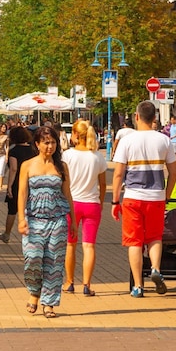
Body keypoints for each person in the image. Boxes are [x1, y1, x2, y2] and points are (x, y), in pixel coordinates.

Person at [112, 100, 176, 298]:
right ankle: (156, 269)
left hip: (133, 197)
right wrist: (167, 195)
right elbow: (173, 173)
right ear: (155, 118)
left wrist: (115, 200)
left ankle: (138, 286)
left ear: (137, 116)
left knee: (135, 242)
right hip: (156, 197)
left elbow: (117, 174)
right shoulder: (164, 140)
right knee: (155, 237)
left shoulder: (127, 141)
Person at [17, 126, 73, 319]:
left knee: (54, 263)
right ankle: (34, 292)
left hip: (57, 220)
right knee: (32, 259)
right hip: (33, 220)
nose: (50, 146)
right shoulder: (27, 165)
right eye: (46, 142)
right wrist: (21, 219)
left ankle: (49, 303)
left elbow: (67, 194)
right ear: (37, 144)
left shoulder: (61, 166)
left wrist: (72, 220)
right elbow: (22, 193)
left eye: (53, 142)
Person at [61, 119, 107, 296]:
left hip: (72, 204)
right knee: (89, 246)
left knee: (70, 245)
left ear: (73, 135)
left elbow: (64, 182)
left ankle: (69, 282)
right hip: (92, 204)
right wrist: (101, 202)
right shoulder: (97, 156)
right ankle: (87, 284)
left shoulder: (68, 156)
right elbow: (102, 184)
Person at [0, 126, 36, 243]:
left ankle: (7, 234)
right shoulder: (34, 150)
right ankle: (32, 234)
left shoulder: (14, 151)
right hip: (32, 181)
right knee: (30, 209)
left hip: (18, 182)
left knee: (12, 209)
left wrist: (9, 185)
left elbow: (14, 168)